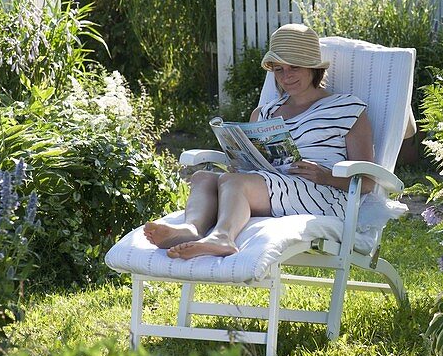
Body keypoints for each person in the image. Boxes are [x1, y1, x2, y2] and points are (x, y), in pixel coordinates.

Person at [143, 24, 373, 259]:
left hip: (321, 193)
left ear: (313, 68)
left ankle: (223, 237)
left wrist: (325, 176)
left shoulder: (347, 108)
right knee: (204, 178)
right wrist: (240, 162)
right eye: (279, 69)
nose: (286, 76)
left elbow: (366, 182)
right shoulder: (264, 113)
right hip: (271, 185)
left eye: (294, 67)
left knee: (235, 183)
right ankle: (192, 229)